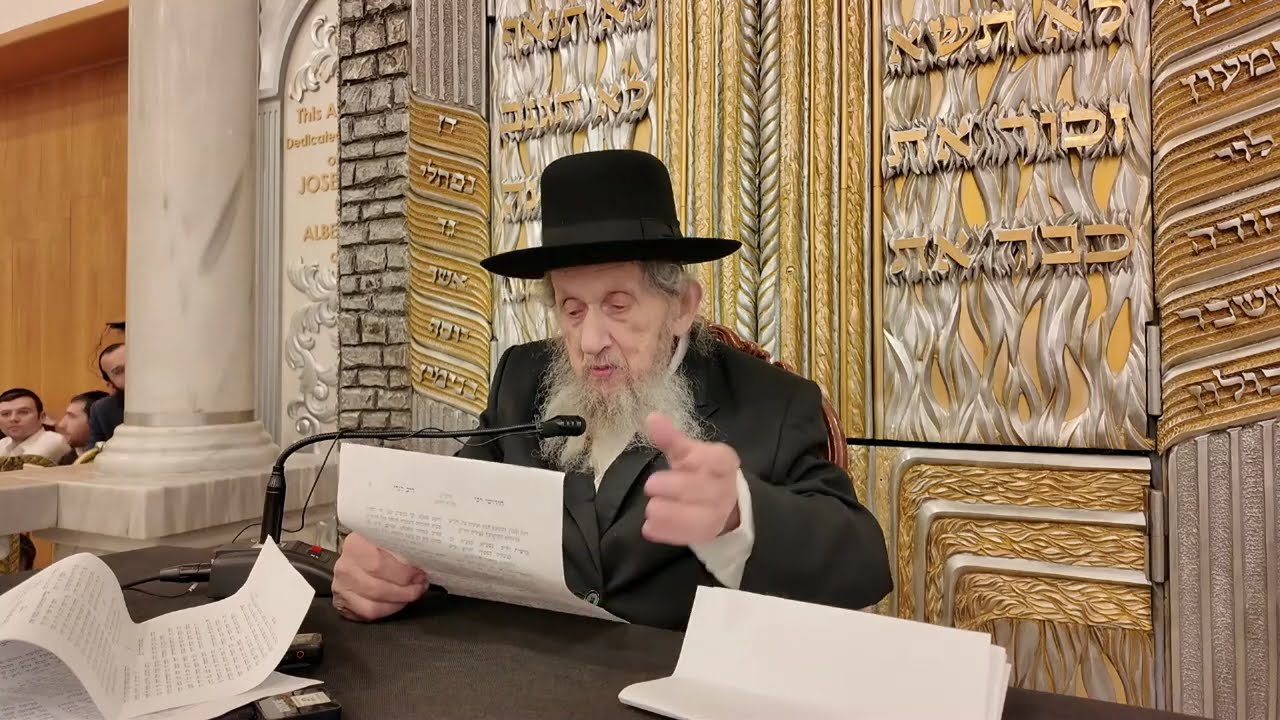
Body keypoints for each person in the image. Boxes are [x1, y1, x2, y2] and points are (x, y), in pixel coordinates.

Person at [332, 150, 892, 630]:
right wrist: (382, 561)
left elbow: (863, 563)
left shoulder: (773, 403)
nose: (591, 340)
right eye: (572, 309)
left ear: (681, 306)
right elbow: (446, 515)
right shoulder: (522, 380)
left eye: (617, 306)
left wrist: (738, 514)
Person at [0, 388, 72, 463]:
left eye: (23, 412)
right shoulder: (2, 443)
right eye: (5, 414)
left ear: (42, 417)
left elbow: (21, 468)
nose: (13, 419)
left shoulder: (53, 440)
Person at [88, 342, 126, 445]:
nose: (130, 373)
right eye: (118, 371)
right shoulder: (102, 410)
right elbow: (94, 452)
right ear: (110, 382)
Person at [55, 390, 109, 461]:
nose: (61, 424)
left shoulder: (110, 459)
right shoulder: (66, 459)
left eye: (71, 416)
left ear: (95, 420)